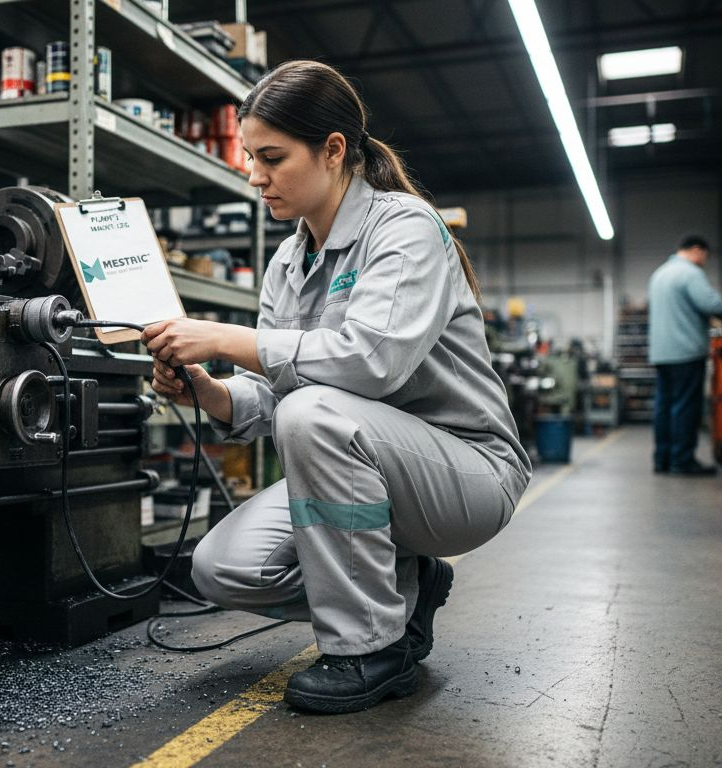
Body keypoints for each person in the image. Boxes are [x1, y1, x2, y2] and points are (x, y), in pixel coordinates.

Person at [139, 60, 531, 714]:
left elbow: (367, 364)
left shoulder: (403, 228)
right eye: (248, 157)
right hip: (363, 463)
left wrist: (226, 338)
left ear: (333, 150)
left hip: (467, 473)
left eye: (271, 157)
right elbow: (278, 397)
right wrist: (207, 391)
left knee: (315, 413)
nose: (255, 176)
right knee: (220, 568)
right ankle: (404, 586)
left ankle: (371, 648)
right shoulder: (289, 263)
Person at [647, 234, 722, 475]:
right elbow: (711, 304)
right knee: (685, 407)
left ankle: (663, 459)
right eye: (704, 257)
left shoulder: (659, 274)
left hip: (661, 352)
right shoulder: (690, 273)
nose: (703, 262)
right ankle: (682, 460)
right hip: (685, 351)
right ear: (697, 250)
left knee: (664, 406)